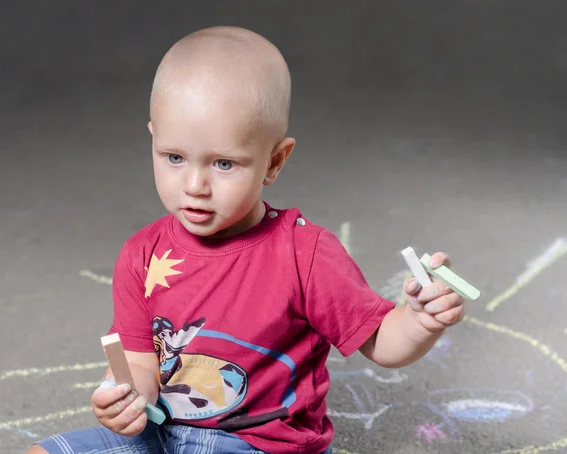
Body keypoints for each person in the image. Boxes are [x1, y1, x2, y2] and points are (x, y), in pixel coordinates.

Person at [27, 25, 465, 454]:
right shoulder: (142, 254)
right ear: (154, 141)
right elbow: (138, 361)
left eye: (224, 164)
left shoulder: (304, 254)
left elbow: (380, 342)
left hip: (260, 444)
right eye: (174, 157)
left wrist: (420, 321)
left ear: (274, 161)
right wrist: (123, 397)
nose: (195, 184)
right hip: (161, 434)